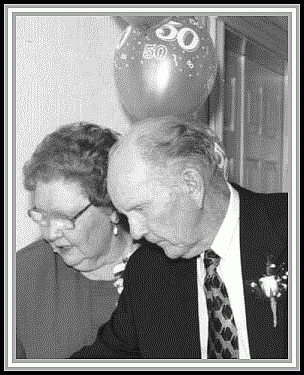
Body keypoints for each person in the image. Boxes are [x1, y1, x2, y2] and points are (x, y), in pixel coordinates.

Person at [70, 116, 288, 359]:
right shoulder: (147, 271)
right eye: (125, 215)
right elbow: (106, 356)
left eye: (140, 209)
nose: (135, 231)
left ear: (192, 185)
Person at [16, 121, 142, 359]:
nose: (50, 233)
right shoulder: (21, 275)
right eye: (42, 216)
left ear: (112, 207)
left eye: (64, 218)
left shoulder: (166, 270)